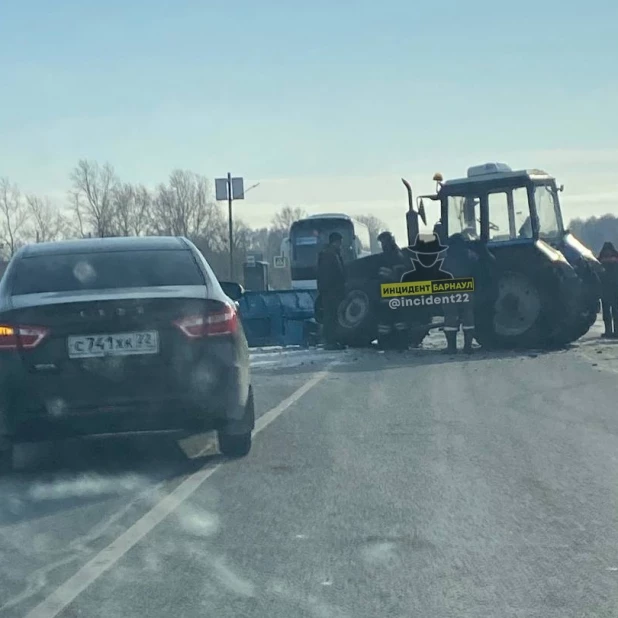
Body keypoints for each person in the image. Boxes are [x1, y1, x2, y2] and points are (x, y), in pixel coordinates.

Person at [441, 233, 479, 354]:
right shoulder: (472, 256)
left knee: (450, 319)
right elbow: (477, 272)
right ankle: (468, 347)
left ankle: (451, 348)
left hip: (450, 290)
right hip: (467, 289)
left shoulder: (446, 258)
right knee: (468, 318)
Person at [317, 232, 346, 349]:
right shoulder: (330, 255)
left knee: (332, 316)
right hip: (331, 291)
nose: (341, 245)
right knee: (331, 316)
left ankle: (332, 340)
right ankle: (330, 341)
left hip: (330, 290)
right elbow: (332, 274)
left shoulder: (331, 254)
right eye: (340, 242)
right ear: (336, 242)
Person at [597, 241, 618, 338]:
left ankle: (608, 331)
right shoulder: (616, 257)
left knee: (606, 313)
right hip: (615, 288)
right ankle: (616, 331)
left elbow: (597, 273)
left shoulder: (600, 260)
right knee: (615, 311)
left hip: (605, 289)